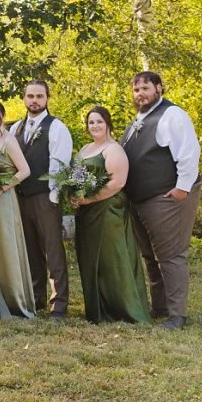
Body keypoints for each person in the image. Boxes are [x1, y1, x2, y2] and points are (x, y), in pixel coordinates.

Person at [120, 71, 201, 330]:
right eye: (136, 90)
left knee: (171, 255)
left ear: (159, 88)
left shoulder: (172, 115)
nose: (140, 94)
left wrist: (182, 189)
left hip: (166, 197)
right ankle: (160, 306)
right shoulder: (138, 120)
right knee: (150, 256)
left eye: (145, 88)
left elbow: (188, 153)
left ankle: (177, 315)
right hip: (141, 200)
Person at [70, 106, 151, 324]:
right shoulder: (86, 148)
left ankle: (124, 310)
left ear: (108, 124)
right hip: (87, 213)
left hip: (108, 210)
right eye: (91, 122)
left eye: (99, 121)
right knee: (90, 259)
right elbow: (74, 178)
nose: (94, 126)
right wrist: (75, 194)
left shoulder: (113, 149)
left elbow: (117, 183)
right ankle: (98, 309)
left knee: (112, 259)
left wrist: (90, 199)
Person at [9, 79, 72, 319]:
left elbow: (60, 163)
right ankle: (37, 298)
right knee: (31, 249)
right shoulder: (15, 128)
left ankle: (59, 304)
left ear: (47, 98)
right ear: (24, 99)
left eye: (39, 96)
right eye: (30, 96)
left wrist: (54, 198)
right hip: (21, 197)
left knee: (53, 251)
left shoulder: (56, 127)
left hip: (46, 197)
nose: (34, 100)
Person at [0, 99, 36, 321]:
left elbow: (24, 171)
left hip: (4, 197)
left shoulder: (9, 141)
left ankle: (14, 301)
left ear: (2, 115)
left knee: (5, 245)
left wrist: (1, 189)